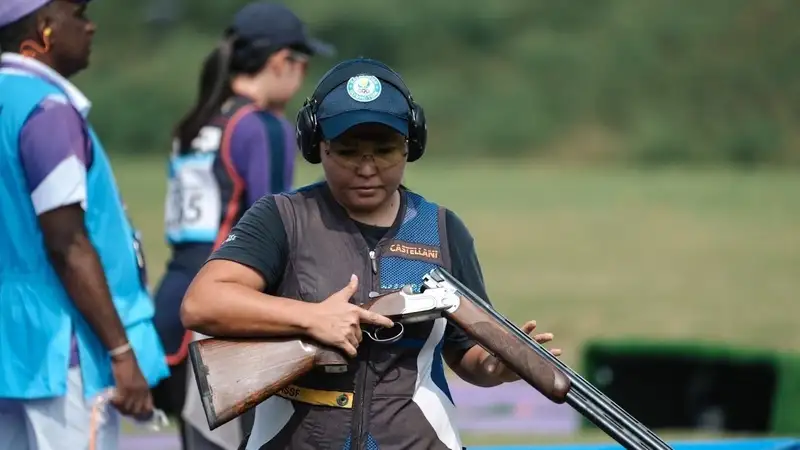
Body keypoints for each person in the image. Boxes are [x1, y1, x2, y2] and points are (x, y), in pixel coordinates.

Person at [180, 57, 563, 450]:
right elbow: (202, 303)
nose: (367, 168)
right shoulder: (281, 218)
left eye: (385, 150)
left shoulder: (443, 229)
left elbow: (465, 352)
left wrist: (493, 366)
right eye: (348, 151)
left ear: (410, 147)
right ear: (319, 147)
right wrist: (312, 318)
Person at [150, 2, 334, 450]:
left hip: (172, 310)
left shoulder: (196, 123)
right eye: (301, 63)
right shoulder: (262, 126)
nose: (300, 77)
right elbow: (275, 234)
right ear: (279, 62)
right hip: (225, 315)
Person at [0, 1, 170, 449]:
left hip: (11, 347)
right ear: (45, 29)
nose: (90, 26)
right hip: (63, 351)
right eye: (77, 13)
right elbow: (67, 243)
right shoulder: (48, 112)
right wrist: (121, 351)